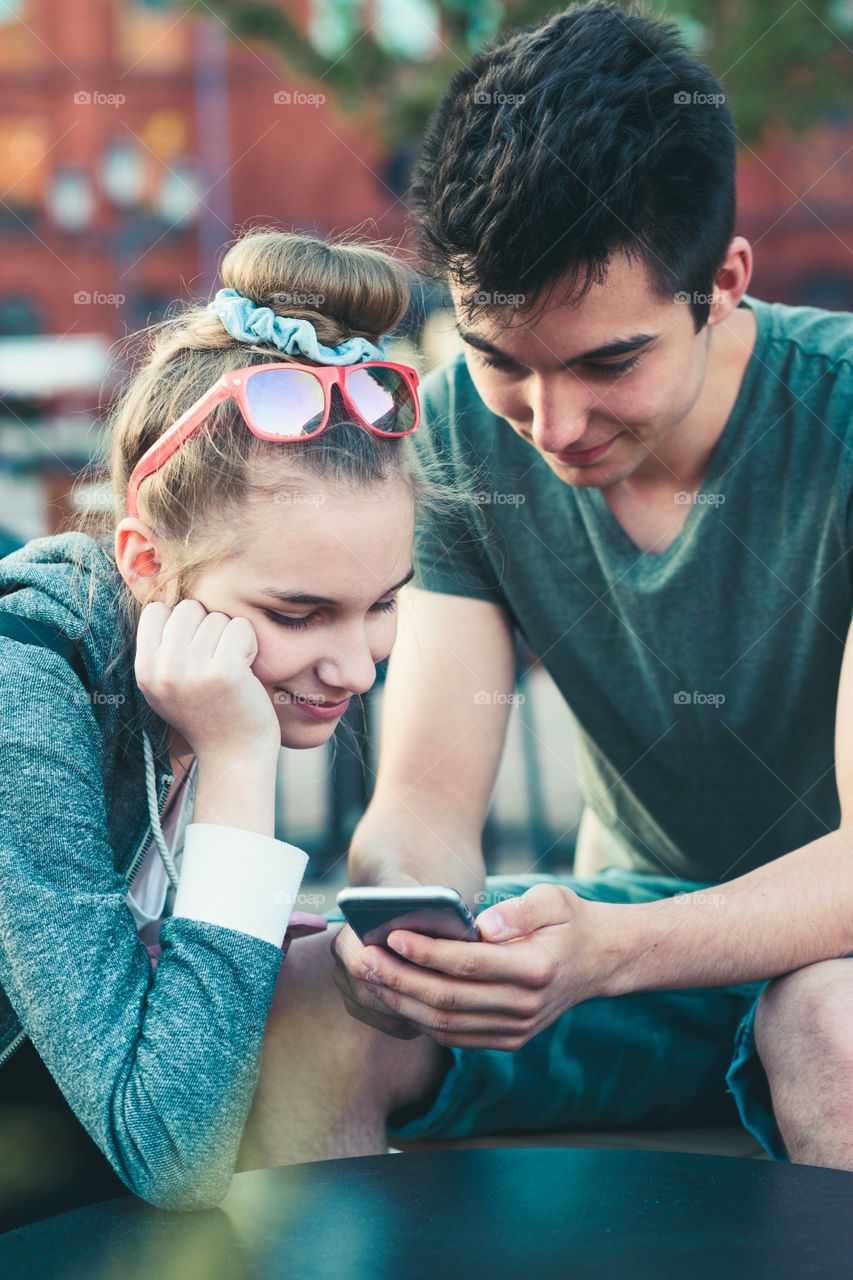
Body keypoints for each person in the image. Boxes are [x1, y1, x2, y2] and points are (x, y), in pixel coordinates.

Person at [251, 3, 853, 1174]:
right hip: (626, 921)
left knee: (827, 1021)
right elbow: (425, 793)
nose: (553, 423)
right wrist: (399, 925)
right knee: (313, 998)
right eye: (501, 359)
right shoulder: (467, 436)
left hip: (805, 948)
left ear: (721, 283)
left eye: (608, 362)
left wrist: (613, 948)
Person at [0, 227, 437, 1225]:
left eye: (382, 601)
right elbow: (173, 1148)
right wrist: (240, 760)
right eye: (298, 612)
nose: (357, 663)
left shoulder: (164, 660)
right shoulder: (23, 697)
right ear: (144, 562)